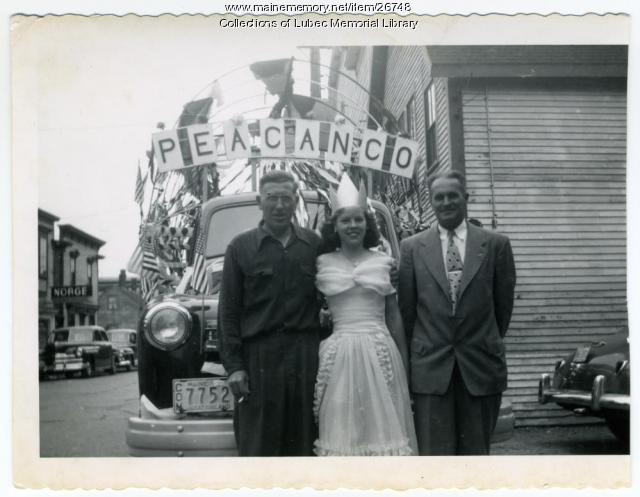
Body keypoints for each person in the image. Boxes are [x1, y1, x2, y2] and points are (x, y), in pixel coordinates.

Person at [398, 171, 516, 455]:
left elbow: (503, 310)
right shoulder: (412, 248)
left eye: (453, 195)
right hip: (431, 369)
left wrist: (481, 340)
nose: (446, 202)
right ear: (432, 202)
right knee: (434, 457)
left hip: (479, 366)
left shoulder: (495, 245)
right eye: (439, 197)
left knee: (476, 457)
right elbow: (407, 311)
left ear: (466, 198)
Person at [218, 170, 322, 456]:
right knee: (259, 444)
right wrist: (235, 367)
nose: (279, 205)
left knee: (306, 440)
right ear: (259, 201)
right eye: (271, 198)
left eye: (286, 198)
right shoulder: (240, 247)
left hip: (306, 357)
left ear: (295, 200)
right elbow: (228, 311)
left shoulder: (313, 244)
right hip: (259, 360)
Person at [313, 174, 418, 456]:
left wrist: (404, 363)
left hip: (380, 349)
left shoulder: (384, 261)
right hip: (340, 353)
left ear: (367, 223)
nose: (353, 225)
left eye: (358, 219)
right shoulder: (322, 262)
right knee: (343, 432)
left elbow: (393, 315)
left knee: (383, 430)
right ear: (334, 225)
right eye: (345, 220)